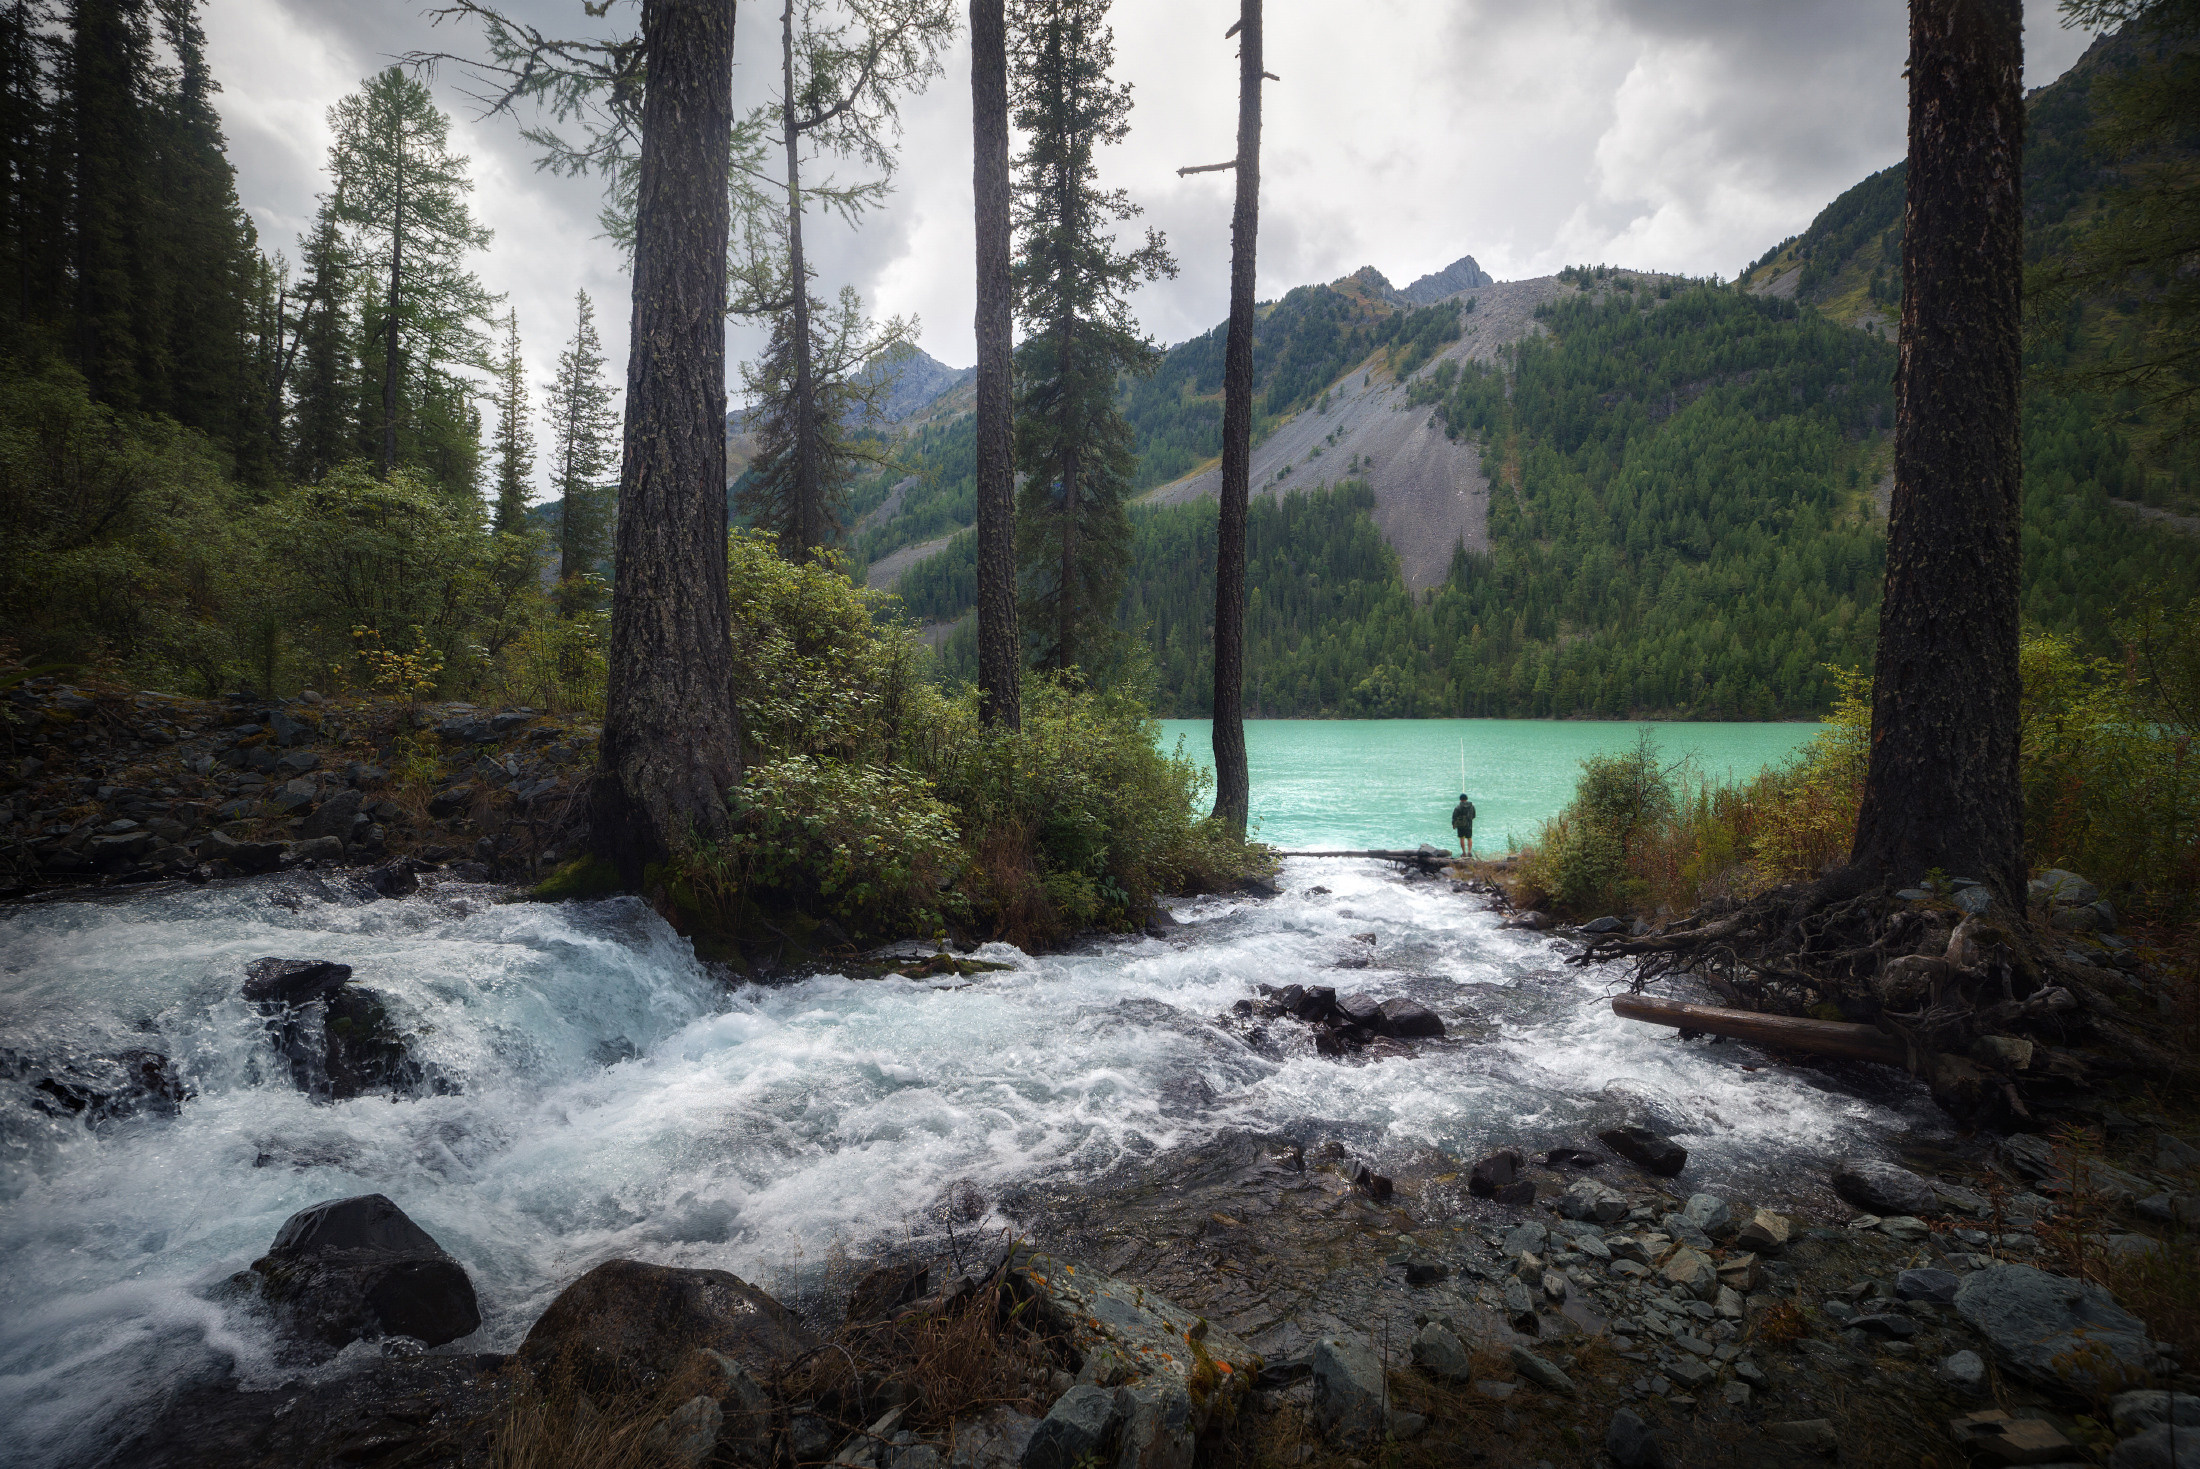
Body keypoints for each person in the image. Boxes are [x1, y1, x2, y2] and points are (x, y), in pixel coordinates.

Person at [1451, 792, 1476, 857]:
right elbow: (1473, 815)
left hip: (1460, 825)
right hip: (1469, 824)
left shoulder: (1458, 807)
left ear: (1460, 799)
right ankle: (1469, 852)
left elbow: (1454, 816)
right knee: (1469, 838)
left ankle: (1464, 853)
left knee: (1462, 838)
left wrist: (1453, 824)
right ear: (1466, 799)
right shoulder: (1472, 806)